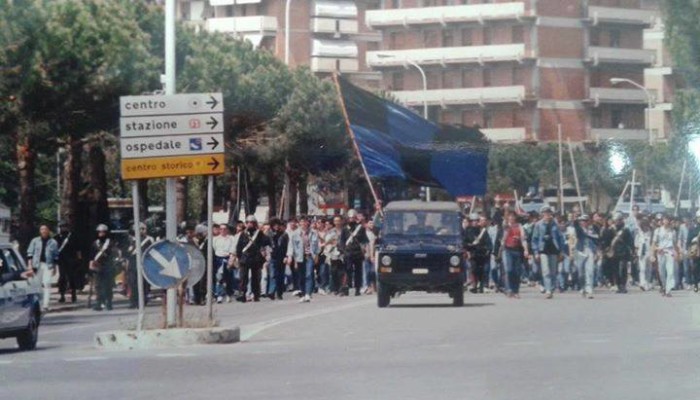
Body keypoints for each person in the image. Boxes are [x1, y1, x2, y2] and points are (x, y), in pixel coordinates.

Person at [531, 206, 564, 299]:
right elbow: (535, 239)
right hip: (543, 249)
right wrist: (536, 252)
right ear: (542, 214)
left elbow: (560, 238)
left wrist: (561, 251)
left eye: (548, 213)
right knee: (546, 271)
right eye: (545, 213)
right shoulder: (538, 225)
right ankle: (548, 290)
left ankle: (552, 287)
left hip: (553, 249)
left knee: (553, 271)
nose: (547, 215)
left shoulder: (555, 224)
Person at [236, 215, 271, 303]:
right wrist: (240, 257)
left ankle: (256, 294)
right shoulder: (243, 234)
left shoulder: (259, 233)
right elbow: (239, 247)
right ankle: (242, 294)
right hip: (245, 258)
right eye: (248, 223)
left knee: (256, 278)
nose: (250, 224)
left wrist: (264, 231)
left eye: (252, 223)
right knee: (243, 278)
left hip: (256, 258)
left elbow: (267, 241)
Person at [286, 216, 319, 303]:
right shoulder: (295, 233)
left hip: (309, 256)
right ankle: (303, 293)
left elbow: (316, 245)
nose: (303, 223)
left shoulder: (313, 233)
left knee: (309, 274)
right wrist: (289, 256)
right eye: (301, 222)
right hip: (299, 257)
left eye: (305, 222)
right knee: (301, 276)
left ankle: (308, 293)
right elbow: (291, 246)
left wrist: (316, 255)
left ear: (308, 223)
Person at [27, 224, 59, 311]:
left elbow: (56, 256)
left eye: (45, 229)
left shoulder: (53, 242)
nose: (44, 231)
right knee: (36, 285)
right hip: (36, 265)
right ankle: (36, 304)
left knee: (47, 284)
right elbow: (30, 253)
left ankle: (45, 305)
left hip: (48, 265)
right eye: (42, 229)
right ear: (40, 231)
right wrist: (29, 265)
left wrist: (55, 267)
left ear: (48, 231)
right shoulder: (35, 241)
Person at [340, 210, 369, 296]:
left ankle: (357, 288)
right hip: (348, 252)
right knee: (347, 270)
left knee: (358, 271)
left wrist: (364, 250)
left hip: (358, 252)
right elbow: (342, 241)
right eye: (350, 217)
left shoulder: (361, 228)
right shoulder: (345, 229)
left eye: (353, 217)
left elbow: (365, 240)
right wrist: (343, 251)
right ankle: (346, 288)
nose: (351, 219)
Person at [89, 224, 117, 311]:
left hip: (108, 266)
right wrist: (91, 264)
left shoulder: (110, 243)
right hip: (98, 266)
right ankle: (99, 302)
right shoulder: (95, 243)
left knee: (107, 285)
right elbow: (92, 255)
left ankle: (109, 302)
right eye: (99, 232)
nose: (101, 234)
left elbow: (114, 254)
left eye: (103, 232)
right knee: (98, 286)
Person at [500, 213, 528, 298]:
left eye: (513, 216)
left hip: (517, 250)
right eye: (510, 216)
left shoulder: (519, 226)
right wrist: (506, 209)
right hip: (507, 250)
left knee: (517, 272)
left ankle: (516, 291)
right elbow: (504, 223)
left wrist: (526, 250)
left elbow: (523, 239)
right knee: (509, 270)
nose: (511, 218)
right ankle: (509, 289)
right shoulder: (506, 226)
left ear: (515, 218)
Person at [127, 223, 154, 309]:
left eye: (143, 229)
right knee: (133, 283)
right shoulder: (131, 240)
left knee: (144, 283)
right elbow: (127, 252)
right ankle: (133, 301)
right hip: (133, 264)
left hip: (144, 263)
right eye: (140, 229)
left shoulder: (149, 239)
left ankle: (142, 301)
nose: (142, 231)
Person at [606, 213, 635, 294]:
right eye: (616, 220)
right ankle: (618, 285)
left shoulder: (626, 230)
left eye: (619, 220)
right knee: (615, 270)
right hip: (614, 252)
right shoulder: (611, 229)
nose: (618, 222)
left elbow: (630, 241)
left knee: (623, 269)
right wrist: (606, 250)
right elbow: (607, 241)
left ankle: (623, 285)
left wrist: (633, 250)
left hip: (623, 252)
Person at [54, 221, 81, 304]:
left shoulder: (73, 236)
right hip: (61, 260)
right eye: (61, 227)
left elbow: (78, 248)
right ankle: (62, 295)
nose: (63, 228)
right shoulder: (57, 238)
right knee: (62, 278)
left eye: (65, 226)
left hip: (71, 259)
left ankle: (73, 294)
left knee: (71, 277)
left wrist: (79, 259)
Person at [652, 215, 679, 297]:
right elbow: (653, 243)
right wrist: (654, 252)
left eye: (668, 220)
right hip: (660, 252)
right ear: (663, 221)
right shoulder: (658, 231)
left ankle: (668, 290)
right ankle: (663, 286)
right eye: (665, 219)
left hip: (669, 251)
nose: (666, 221)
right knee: (661, 272)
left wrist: (677, 253)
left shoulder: (673, 232)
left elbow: (675, 244)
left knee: (670, 272)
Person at [464, 215, 492, 293]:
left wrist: (488, 250)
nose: (475, 222)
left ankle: (483, 285)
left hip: (482, 254)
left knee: (483, 270)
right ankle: (474, 285)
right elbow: (464, 242)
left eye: (476, 220)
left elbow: (488, 242)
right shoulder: (467, 231)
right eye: (473, 220)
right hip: (472, 254)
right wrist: (468, 247)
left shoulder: (483, 231)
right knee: (473, 269)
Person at [573, 215, 598, 299]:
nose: (584, 222)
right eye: (582, 221)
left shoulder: (592, 230)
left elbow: (597, 240)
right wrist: (576, 220)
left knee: (590, 271)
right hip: (580, 252)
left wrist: (597, 252)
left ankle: (589, 290)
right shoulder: (579, 230)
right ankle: (582, 287)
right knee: (580, 273)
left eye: (585, 221)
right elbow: (576, 226)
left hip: (590, 251)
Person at [212, 223, 236, 303]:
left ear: (227, 230)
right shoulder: (215, 239)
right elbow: (214, 248)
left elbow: (233, 248)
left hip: (228, 258)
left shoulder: (231, 238)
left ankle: (229, 294)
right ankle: (219, 294)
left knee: (229, 277)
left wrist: (231, 258)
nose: (223, 230)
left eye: (224, 229)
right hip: (218, 258)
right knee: (219, 277)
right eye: (221, 229)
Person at [268, 218, 289, 300]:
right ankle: (271, 291)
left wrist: (286, 256)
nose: (276, 226)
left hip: (282, 257)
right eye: (274, 225)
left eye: (278, 225)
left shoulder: (284, 235)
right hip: (273, 257)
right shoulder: (269, 234)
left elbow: (287, 247)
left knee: (280, 275)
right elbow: (265, 245)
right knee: (273, 275)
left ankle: (279, 293)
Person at [635, 218, 653, 292]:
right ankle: (642, 283)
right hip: (641, 253)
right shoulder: (639, 233)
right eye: (642, 226)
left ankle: (648, 283)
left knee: (649, 269)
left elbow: (653, 243)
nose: (644, 227)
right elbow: (636, 243)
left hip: (649, 252)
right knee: (642, 269)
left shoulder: (651, 233)